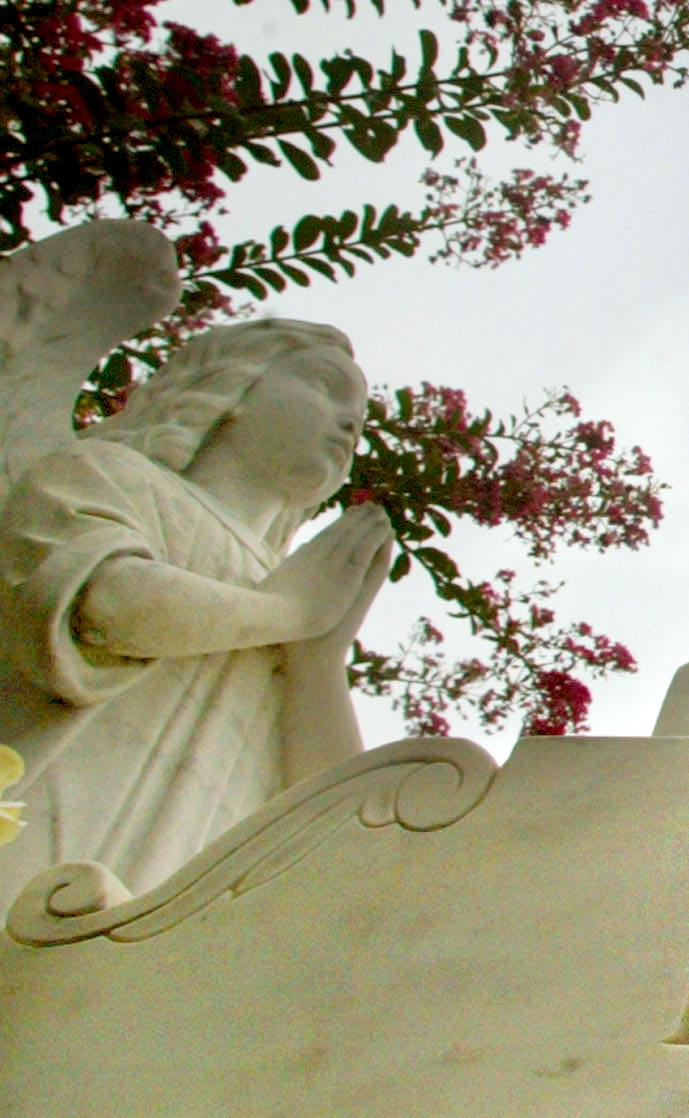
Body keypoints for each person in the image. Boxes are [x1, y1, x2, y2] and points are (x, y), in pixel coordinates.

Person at [0, 320, 395, 898]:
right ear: (231, 387)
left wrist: (318, 660)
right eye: (323, 385)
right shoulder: (109, 474)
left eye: (357, 420)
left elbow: (331, 825)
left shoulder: (294, 592)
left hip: (175, 891)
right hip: (48, 827)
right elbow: (104, 605)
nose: (347, 424)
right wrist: (288, 611)